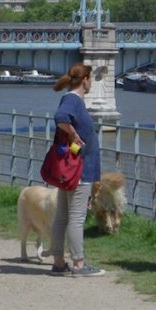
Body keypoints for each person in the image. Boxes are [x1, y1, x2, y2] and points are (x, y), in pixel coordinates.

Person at [49, 62, 104, 277]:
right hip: (78, 170)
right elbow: (61, 117)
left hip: (71, 169)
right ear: (85, 80)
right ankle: (79, 264)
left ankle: (59, 263)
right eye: (90, 79)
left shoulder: (73, 100)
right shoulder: (72, 100)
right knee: (76, 218)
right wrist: (73, 134)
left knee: (62, 216)